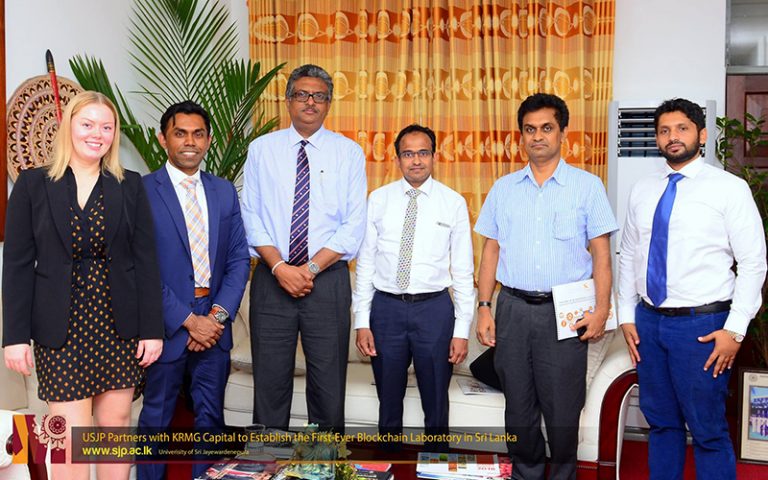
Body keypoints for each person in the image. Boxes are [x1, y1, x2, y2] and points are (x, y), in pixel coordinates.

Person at [2, 91, 164, 480]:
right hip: (59, 328)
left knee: (115, 427)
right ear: (68, 127)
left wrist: (152, 330)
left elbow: (145, 261)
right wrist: (15, 337)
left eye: (106, 127)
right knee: (69, 436)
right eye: (87, 124)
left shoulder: (129, 185)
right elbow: (18, 265)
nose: (97, 134)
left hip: (118, 325)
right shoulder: (33, 184)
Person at [617, 98, 767, 480]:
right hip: (649, 323)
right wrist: (626, 315)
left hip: (702, 327)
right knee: (661, 423)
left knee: (707, 429)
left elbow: (753, 263)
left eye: (682, 128)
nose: (673, 137)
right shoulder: (642, 189)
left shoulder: (729, 189)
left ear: (701, 135)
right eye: (664, 130)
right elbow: (629, 253)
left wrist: (735, 330)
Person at [474, 93, 618, 479]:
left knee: (562, 411)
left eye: (546, 128)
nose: (537, 136)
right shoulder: (503, 189)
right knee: (519, 411)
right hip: (513, 309)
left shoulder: (587, 187)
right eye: (530, 129)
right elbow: (491, 251)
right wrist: (484, 307)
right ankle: (526, 474)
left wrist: (602, 309)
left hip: (564, 313)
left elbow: (601, 254)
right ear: (521, 135)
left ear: (562, 133)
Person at [241, 64, 367, 431]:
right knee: (270, 383)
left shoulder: (349, 152)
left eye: (319, 96)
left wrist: (308, 270)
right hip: (271, 278)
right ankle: (267, 458)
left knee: (328, 384)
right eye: (302, 94)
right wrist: (281, 268)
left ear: (328, 104)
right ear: (288, 100)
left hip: (326, 281)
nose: (310, 102)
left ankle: (323, 460)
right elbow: (250, 215)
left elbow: (353, 225)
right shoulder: (261, 149)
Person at [137, 101, 250, 479]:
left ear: (209, 140)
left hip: (214, 321)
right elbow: (141, 267)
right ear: (163, 139)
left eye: (198, 134)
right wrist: (188, 320)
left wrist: (215, 317)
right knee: (156, 418)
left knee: (211, 419)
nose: (190, 142)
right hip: (166, 322)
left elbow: (238, 259)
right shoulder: (141, 191)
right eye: (180, 133)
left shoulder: (223, 192)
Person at [352, 124, 475, 450]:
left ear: (434, 157)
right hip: (386, 310)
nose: (416, 160)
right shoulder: (378, 200)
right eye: (408, 154)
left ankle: (437, 464)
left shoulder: (453, 202)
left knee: (436, 403)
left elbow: (464, 271)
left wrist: (461, 329)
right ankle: (389, 465)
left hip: (434, 311)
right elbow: (365, 263)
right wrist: (362, 321)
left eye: (423, 153)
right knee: (388, 400)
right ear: (397, 159)